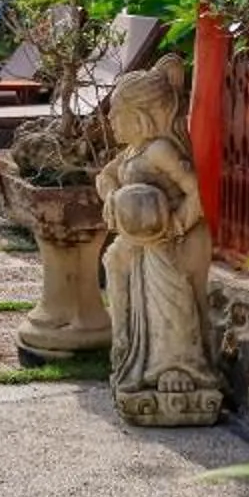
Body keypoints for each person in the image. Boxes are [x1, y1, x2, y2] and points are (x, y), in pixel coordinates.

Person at [96, 59, 220, 426]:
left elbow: (196, 191)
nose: (111, 123)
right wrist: (112, 196)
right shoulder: (134, 151)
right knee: (138, 306)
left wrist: (176, 227)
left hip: (165, 246)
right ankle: (137, 364)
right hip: (136, 246)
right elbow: (105, 175)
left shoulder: (159, 150)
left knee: (168, 306)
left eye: (117, 115)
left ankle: (177, 367)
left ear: (142, 115)